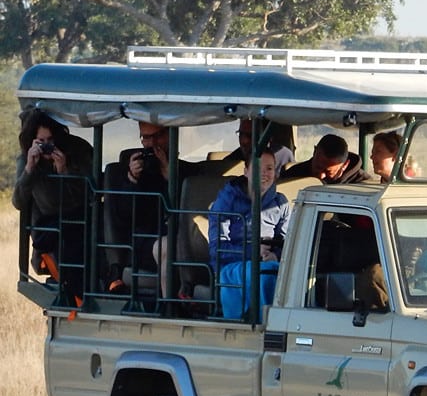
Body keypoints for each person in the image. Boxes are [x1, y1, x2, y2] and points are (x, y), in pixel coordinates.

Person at [105, 122, 203, 294]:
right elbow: (122, 216)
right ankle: (168, 305)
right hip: (143, 240)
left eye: (157, 136)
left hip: (184, 235)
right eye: (146, 138)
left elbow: (188, 207)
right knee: (168, 246)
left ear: (169, 135)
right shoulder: (129, 173)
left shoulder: (186, 171)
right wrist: (132, 179)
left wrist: (168, 173)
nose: (152, 143)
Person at [12, 109, 93, 296]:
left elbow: (87, 195)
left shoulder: (76, 153)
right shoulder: (27, 159)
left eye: (50, 141)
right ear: (32, 141)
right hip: (48, 223)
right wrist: (30, 169)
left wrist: (64, 172)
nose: (46, 147)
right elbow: (18, 201)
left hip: (78, 217)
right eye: (41, 142)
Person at [209, 148, 291, 319]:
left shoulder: (280, 203)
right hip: (231, 265)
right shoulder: (227, 200)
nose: (264, 174)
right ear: (246, 172)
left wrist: (275, 255)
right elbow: (218, 248)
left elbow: (287, 243)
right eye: (258, 169)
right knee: (266, 274)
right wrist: (254, 253)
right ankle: (264, 323)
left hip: (268, 264)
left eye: (269, 168)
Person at [283, 133, 374, 185]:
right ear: (314, 152)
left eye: (328, 172)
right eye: (318, 167)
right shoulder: (292, 177)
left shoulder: (362, 184)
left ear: (345, 165)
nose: (321, 176)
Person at [224, 119, 295, 175]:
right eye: (241, 134)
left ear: (267, 136)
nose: (243, 141)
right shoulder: (231, 161)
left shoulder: (284, 155)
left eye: (250, 135)